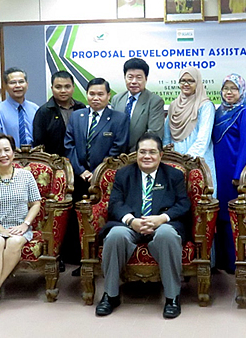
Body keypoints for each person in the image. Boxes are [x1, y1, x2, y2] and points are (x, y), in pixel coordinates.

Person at [95, 133, 191, 319]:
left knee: (167, 235)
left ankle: (172, 297)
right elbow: (115, 203)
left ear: (160, 155)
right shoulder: (124, 174)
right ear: (136, 153)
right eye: (142, 152)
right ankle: (110, 295)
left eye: (152, 152)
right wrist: (132, 221)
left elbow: (183, 204)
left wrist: (161, 218)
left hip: (162, 225)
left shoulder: (174, 175)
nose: (147, 156)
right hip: (131, 225)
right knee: (115, 235)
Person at [0, 133, 42, 316]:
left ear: (13, 153)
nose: (3, 155)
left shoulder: (25, 176)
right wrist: (1, 230)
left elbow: (36, 203)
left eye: (7, 150)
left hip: (20, 227)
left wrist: (25, 224)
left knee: (13, 242)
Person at [64, 78, 129, 266]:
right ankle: (83, 261)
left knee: (102, 219)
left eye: (101, 94)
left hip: (105, 182)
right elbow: (69, 145)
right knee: (80, 221)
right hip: (80, 179)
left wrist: (97, 172)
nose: (96, 98)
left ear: (108, 96)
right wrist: (81, 171)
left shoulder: (119, 118)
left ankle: (104, 259)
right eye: (92, 93)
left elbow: (118, 148)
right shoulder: (78, 116)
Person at [211, 73, 246, 272]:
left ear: (241, 91)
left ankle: (233, 262)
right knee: (219, 214)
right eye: (226, 88)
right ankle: (220, 259)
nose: (229, 92)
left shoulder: (245, 112)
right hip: (218, 170)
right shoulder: (219, 111)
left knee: (233, 217)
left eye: (234, 89)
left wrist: (239, 175)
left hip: (233, 171)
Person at [163, 67, 217, 196]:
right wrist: (170, 158)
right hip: (175, 162)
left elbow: (203, 139)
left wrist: (186, 162)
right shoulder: (173, 105)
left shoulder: (205, 106)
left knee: (201, 201)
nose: (186, 84)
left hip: (198, 160)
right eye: (182, 81)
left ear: (197, 82)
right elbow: (166, 136)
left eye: (190, 81)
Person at [110, 58, 165, 152]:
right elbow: (111, 128)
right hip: (116, 155)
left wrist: (135, 153)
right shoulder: (117, 99)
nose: (134, 81)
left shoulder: (154, 101)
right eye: (130, 77)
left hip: (140, 154)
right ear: (125, 78)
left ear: (146, 79)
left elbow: (154, 133)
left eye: (139, 77)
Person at [32, 70, 85, 156]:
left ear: (73, 88)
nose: (63, 91)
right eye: (58, 87)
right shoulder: (44, 112)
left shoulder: (81, 108)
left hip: (79, 161)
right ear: (52, 88)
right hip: (53, 163)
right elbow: (39, 144)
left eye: (67, 87)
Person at [0, 67, 39, 149]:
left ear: (27, 84)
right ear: (5, 86)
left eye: (21, 82)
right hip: (8, 159)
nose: (18, 86)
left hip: (35, 159)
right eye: (13, 82)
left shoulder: (35, 109)